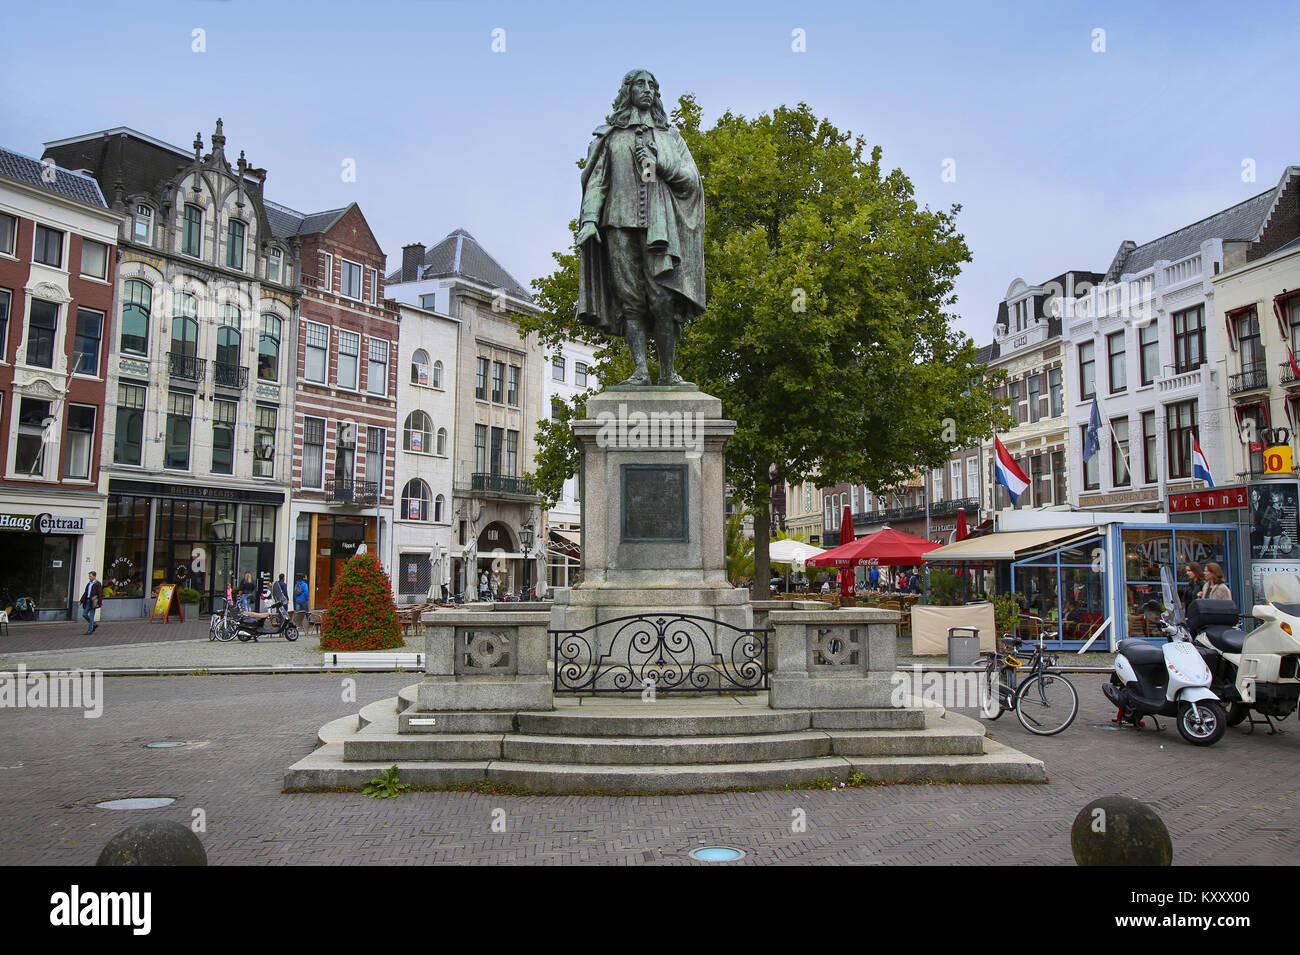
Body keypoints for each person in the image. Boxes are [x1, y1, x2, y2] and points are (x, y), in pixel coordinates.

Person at [79, 570, 102, 634]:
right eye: (89, 576)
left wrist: (99, 602)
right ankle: (94, 624)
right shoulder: (89, 584)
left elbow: (100, 593)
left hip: (93, 601)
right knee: (84, 614)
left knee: (91, 616)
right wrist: (81, 601)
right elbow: (85, 593)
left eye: (91, 576)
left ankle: (90, 630)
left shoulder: (97, 584)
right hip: (88, 600)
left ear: (94, 576)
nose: (89, 578)